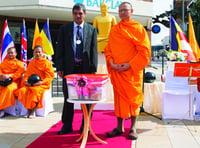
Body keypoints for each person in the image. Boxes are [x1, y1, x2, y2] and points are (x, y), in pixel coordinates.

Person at [104, 2, 151, 140]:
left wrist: (130, 65)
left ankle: (133, 128)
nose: (122, 13)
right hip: (118, 71)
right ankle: (119, 127)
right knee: (119, 100)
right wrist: (111, 63)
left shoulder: (138, 28)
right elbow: (108, 49)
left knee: (133, 100)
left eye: (125, 10)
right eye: (120, 11)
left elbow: (145, 51)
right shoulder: (115, 30)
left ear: (131, 11)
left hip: (132, 71)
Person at [55, 3, 97, 135]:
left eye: (80, 13)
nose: (78, 16)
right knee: (69, 98)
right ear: (72, 14)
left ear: (85, 14)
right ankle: (66, 126)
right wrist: (60, 67)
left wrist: (93, 69)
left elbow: (93, 50)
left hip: (85, 69)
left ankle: (86, 125)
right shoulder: (64, 29)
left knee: (87, 99)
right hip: (69, 69)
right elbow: (60, 49)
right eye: (75, 13)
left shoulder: (91, 29)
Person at [15, 45, 54, 118]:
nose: (38, 54)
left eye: (39, 52)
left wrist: (41, 82)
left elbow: (50, 76)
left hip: (41, 84)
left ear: (42, 53)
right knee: (22, 91)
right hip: (31, 83)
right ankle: (28, 110)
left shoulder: (46, 63)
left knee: (35, 91)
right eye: (36, 52)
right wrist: (26, 81)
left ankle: (33, 111)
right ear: (33, 53)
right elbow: (27, 75)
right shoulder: (31, 63)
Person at [0, 47, 25, 117]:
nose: (10, 54)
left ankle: (1, 108)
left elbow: (19, 73)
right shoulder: (3, 63)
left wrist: (9, 76)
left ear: (16, 54)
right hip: (2, 81)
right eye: (9, 53)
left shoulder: (19, 63)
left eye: (12, 53)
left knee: (8, 89)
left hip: (14, 82)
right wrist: (2, 76)